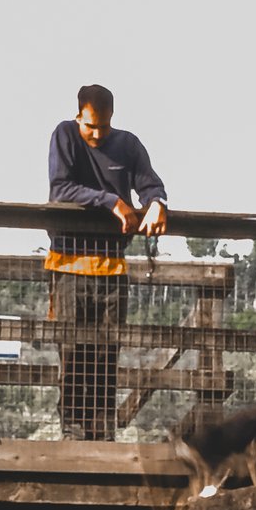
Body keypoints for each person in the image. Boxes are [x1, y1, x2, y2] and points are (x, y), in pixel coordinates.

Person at [45, 86, 166, 440]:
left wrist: (157, 201)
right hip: (68, 265)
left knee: (106, 354)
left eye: (103, 127)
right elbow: (61, 189)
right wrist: (111, 200)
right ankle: (73, 431)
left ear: (112, 119)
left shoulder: (128, 144)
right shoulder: (65, 135)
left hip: (112, 267)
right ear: (78, 116)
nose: (96, 135)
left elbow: (149, 183)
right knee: (73, 355)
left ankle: (103, 433)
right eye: (90, 126)